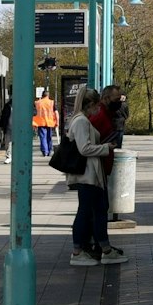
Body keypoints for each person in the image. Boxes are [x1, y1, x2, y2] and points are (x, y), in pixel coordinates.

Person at [65, 88, 124, 267]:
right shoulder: (81, 121)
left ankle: (104, 249)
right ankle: (78, 251)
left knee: (98, 211)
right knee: (86, 212)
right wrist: (106, 147)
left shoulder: (79, 120)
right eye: (95, 106)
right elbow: (85, 148)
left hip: (92, 175)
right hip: (88, 175)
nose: (96, 110)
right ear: (90, 105)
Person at [32, 86, 56, 156]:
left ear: (42, 96)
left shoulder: (37, 103)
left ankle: (45, 151)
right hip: (50, 122)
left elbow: (34, 113)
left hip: (41, 122)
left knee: (43, 137)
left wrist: (34, 123)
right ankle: (49, 150)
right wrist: (57, 122)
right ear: (48, 96)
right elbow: (56, 113)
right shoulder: (52, 102)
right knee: (49, 137)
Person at [103, 84, 128, 149]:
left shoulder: (110, 108)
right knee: (118, 144)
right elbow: (127, 114)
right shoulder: (124, 105)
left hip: (115, 125)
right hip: (120, 125)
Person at [0, 95, 12, 165]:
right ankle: (8, 157)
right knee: (8, 143)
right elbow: (3, 116)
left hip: (20, 128)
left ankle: (16, 156)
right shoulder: (7, 106)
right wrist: (1, 126)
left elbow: (34, 112)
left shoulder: (23, 105)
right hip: (9, 127)